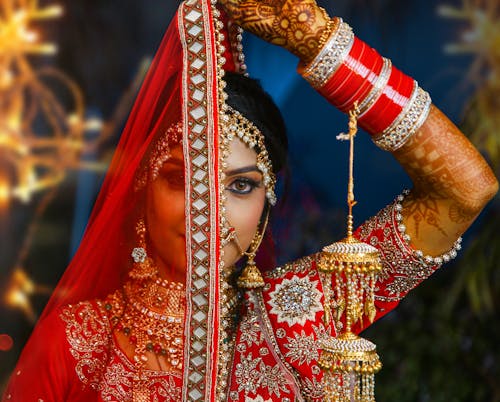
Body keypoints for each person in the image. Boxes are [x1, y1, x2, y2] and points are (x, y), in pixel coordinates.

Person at [2, 0, 497, 400]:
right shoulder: (75, 345)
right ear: (141, 186)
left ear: (268, 199)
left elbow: (465, 189)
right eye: (183, 179)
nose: (209, 211)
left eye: (240, 186)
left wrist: (321, 44)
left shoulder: (298, 312)